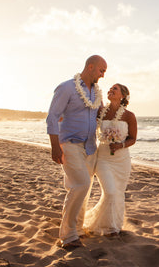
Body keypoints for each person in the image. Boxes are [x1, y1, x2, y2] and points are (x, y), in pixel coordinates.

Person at [46, 55, 107, 249]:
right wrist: (55, 146)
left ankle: (78, 229)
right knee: (81, 184)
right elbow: (52, 117)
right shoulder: (66, 88)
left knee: (85, 189)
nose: (103, 75)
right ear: (90, 67)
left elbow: (101, 114)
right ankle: (68, 235)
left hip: (90, 146)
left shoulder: (96, 93)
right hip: (70, 144)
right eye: (101, 70)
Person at [84, 83, 137, 236]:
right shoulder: (100, 111)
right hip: (103, 158)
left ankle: (114, 226)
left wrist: (120, 145)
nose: (110, 90)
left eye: (115, 89)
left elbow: (133, 139)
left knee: (118, 192)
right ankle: (107, 227)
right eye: (110, 89)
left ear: (123, 95)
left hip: (122, 160)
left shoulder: (129, 116)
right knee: (110, 192)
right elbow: (86, 124)